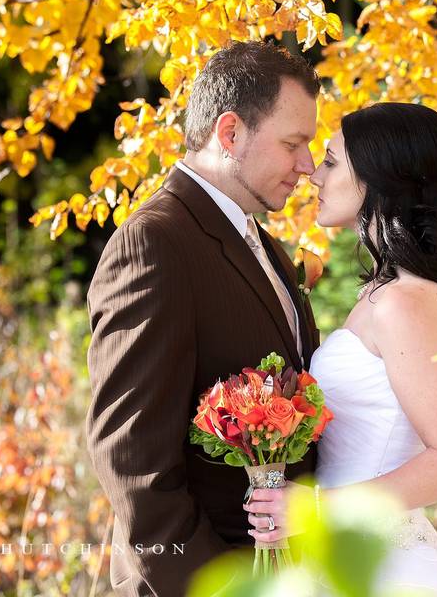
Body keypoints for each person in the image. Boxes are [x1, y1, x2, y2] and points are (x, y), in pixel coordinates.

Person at [242, 103, 437, 596]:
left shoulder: (406, 302)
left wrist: (318, 508)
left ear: (377, 178)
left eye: (332, 161)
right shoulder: (387, 293)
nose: (314, 174)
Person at [86, 41, 322, 596]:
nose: (307, 166)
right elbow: (133, 461)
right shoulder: (154, 243)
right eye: (293, 144)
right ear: (230, 132)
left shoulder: (265, 247)